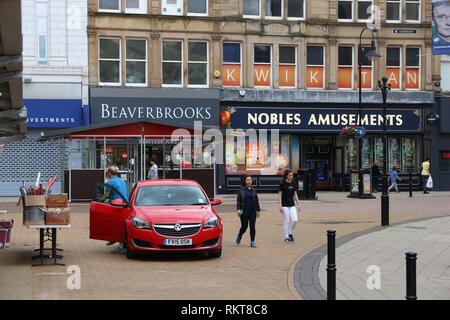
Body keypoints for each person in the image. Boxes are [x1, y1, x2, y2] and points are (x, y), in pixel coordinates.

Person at [105, 165, 129, 247]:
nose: (107, 174)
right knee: (122, 224)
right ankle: (119, 241)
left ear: (109, 173)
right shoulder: (122, 181)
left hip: (116, 204)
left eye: (107, 173)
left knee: (114, 223)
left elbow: (105, 195)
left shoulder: (110, 182)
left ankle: (115, 239)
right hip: (125, 204)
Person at [236, 175, 261, 248]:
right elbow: (239, 201)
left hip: (252, 211)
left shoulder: (254, 190)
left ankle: (252, 241)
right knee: (244, 227)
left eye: (250, 180)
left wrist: (258, 210)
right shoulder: (241, 190)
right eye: (248, 180)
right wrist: (238, 210)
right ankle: (240, 235)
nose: (249, 181)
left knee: (252, 226)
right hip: (244, 211)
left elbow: (256, 200)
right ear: (245, 181)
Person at [278, 170, 301, 244]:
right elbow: (280, 195)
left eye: (292, 175)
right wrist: (280, 205)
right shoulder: (282, 184)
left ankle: (290, 232)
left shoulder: (293, 183)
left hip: (292, 205)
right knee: (287, 221)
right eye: (290, 175)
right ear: (286, 176)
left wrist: (298, 204)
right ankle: (286, 236)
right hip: (284, 205)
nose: (292, 176)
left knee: (295, 220)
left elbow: (295, 194)